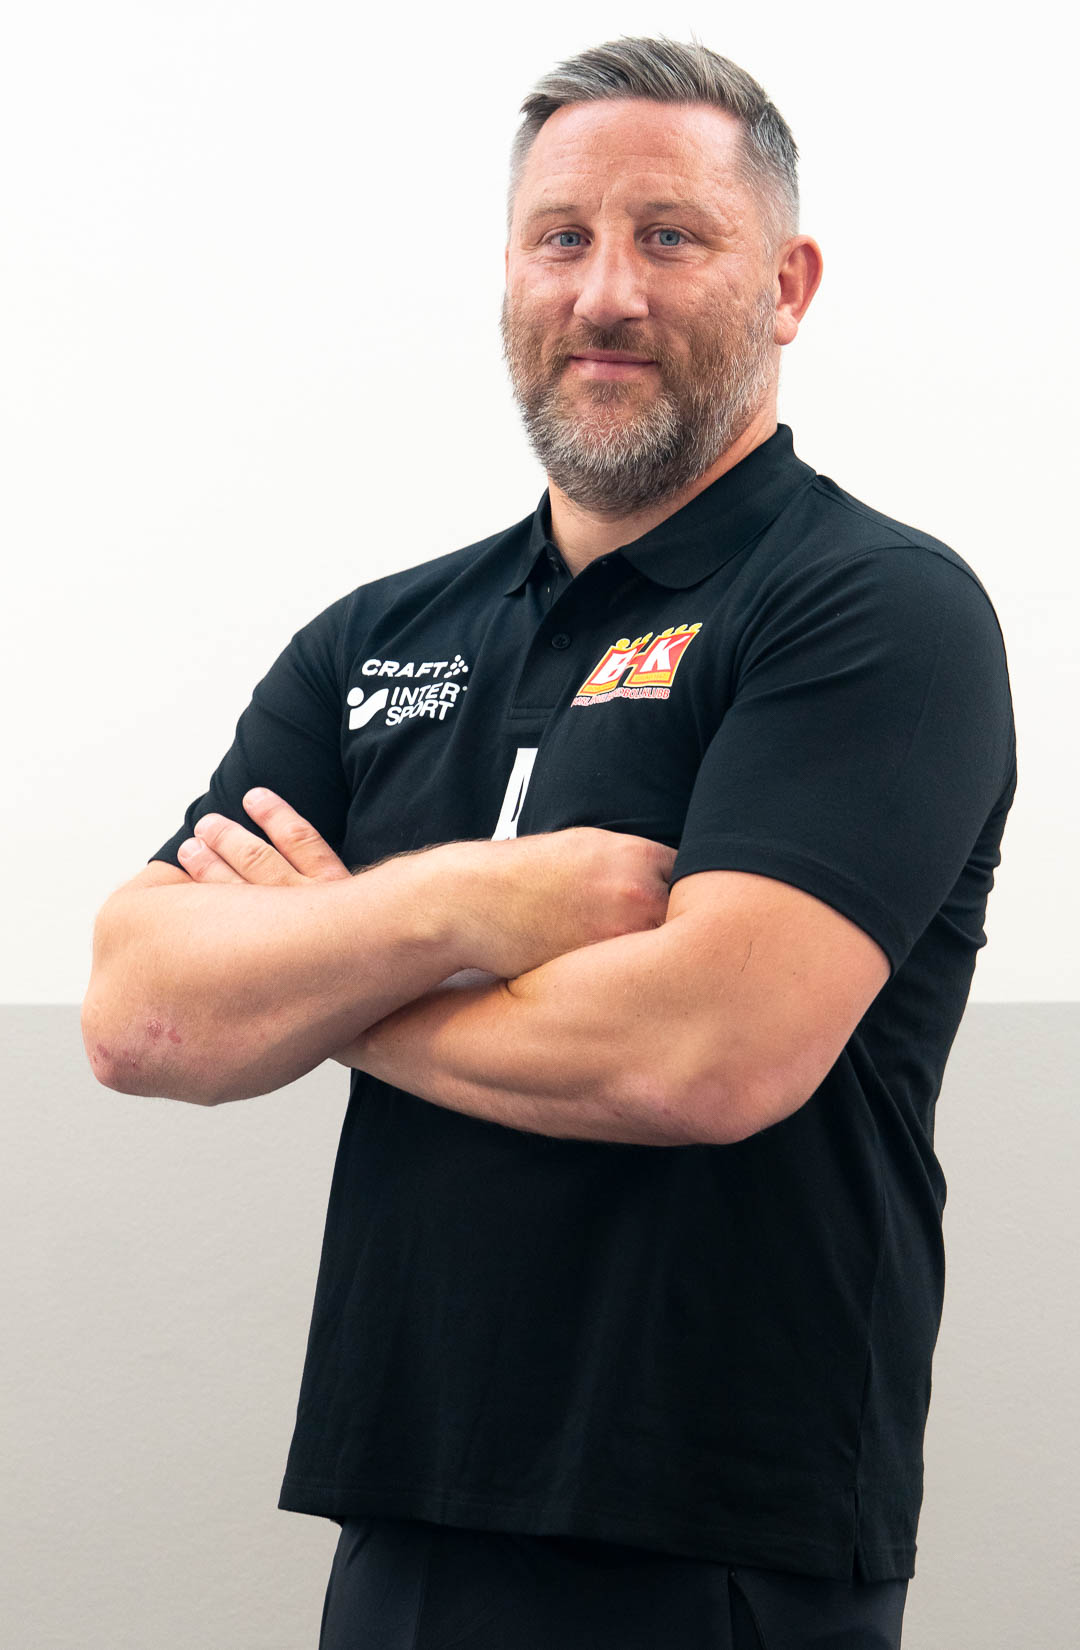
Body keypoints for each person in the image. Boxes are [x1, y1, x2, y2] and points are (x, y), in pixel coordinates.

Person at [82, 34, 1016, 1650]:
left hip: (723, 1541)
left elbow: (704, 1050)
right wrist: (471, 898)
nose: (605, 294)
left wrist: (321, 973)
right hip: (406, 1508)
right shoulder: (381, 636)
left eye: (671, 236)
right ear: (510, 272)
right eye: (561, 238)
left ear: (787, 285)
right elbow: (138, 1010)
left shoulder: (874, 609)